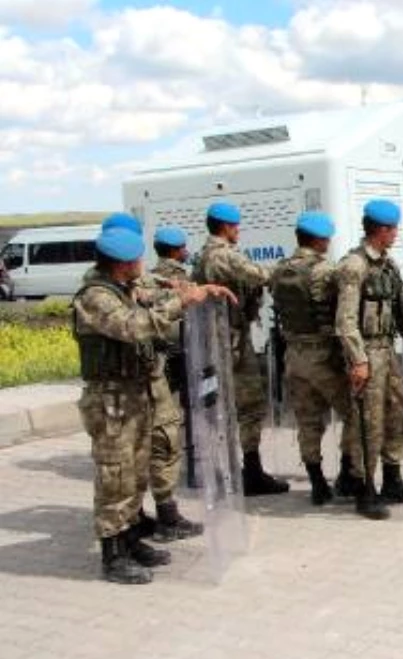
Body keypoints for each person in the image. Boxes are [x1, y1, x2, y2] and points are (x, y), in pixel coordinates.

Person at [75, 226, 233, 584]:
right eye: (138, 260)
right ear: (124, 263)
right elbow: (135, 326)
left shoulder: (124, 288)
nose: (142, 266)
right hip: (111, 400)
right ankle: (112, 554)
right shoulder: (96, 297)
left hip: (135, 393)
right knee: (116, 475)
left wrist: (197, 290)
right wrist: (183, 302)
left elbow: (156, 294)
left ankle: (130, 538)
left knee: (137, 471)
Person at [192, 202, 289, 496]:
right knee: (247, 405)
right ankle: (247, 471)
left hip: (227, 337)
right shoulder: (221, 256)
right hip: (229, 341)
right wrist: (290, 268)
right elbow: (258, 274)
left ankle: (243, 468)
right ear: (226, 227)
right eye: (236, 226)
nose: (238, 231)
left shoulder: (208, 254)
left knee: (236, 405)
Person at [335, 199, 403, 520]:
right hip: (366, 352)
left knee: (397, 410)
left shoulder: (387, 264)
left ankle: (392, 479)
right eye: (392, 229)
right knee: (368, 421)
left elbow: (397, 309)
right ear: (380, 230)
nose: (396, 234)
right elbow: (345, 319)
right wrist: (358, 360)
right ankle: (364, 488)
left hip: (387, 350)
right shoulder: (354, 266)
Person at [268, 212, 350, 505]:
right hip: (323, 356)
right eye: (326, 237)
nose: (328, 242)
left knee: (308, 421)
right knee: (354, 414)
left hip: (293, 356)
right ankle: (347, 475)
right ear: (318, 239)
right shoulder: (324, 271)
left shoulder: (279, 270)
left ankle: (317, 483)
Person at [145, 225, 203, 540]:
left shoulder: (149, 278)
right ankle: (169, 509)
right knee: (174, 424)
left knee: (167, 426)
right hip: (180, 355)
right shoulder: (181, 279)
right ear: (178, 249)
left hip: (160, 359)